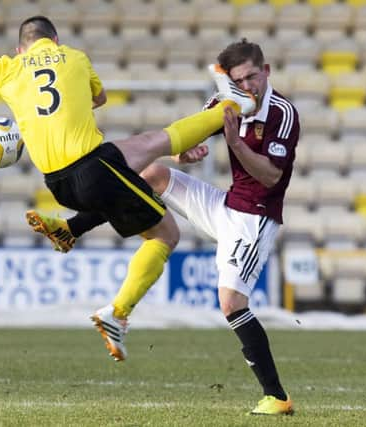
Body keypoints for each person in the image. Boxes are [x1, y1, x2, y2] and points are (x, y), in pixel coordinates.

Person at [0, 17, 255, 362]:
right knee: (166, 233)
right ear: (57, 41)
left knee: (150, 152)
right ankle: (116, 313)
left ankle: (70, 229)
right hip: (91, 167)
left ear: (20, 47)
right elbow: (98, 98)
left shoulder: (6, 69)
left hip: (59, 182)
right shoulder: (76, 58)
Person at [38, 39, 298, 416]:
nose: (247, 88)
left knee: (231, 303)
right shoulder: (226, 102)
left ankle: (276, 396)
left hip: (254, 217)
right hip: (225, 205)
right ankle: (71, 230)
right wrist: (183, 153)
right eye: (239, 81)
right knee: (154, 173)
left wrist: (235, 144)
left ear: (267, 71)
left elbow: (272, 177)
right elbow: (183, 139)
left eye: (253, 78)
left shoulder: (282, 114)